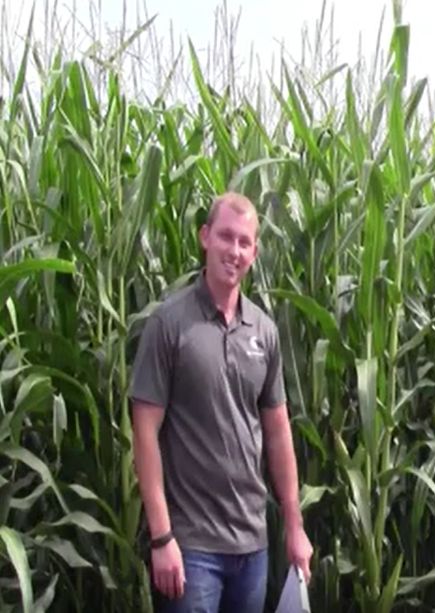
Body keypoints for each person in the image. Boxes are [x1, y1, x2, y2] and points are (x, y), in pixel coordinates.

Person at [129, 192, 313, 613]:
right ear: (205, 237)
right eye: (226, 237)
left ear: (255, 252)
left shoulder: (263, 331)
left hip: (252, 545)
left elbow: (278, 432)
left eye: (245, 242)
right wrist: (161, 537)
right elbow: (144, 431)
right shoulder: (169, 325)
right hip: (191, 547)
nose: (234, 251)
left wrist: (294, 527)